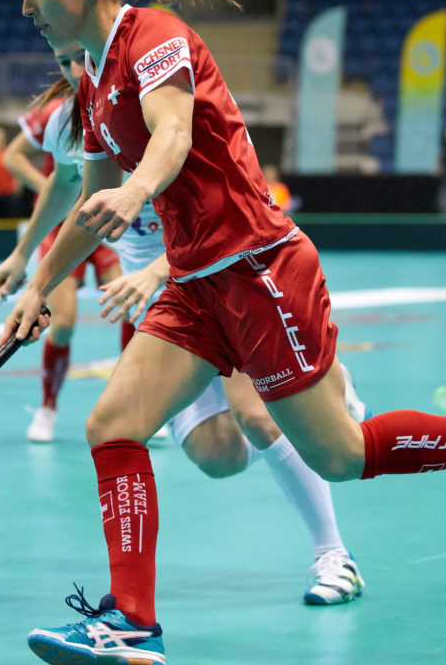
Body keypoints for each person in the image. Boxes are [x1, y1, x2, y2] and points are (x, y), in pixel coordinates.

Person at [4, 0, 446, 665]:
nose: (27, 4)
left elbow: (172, 135)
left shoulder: (154, 36)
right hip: (195, 283)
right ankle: (132, 621)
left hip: (257, 267)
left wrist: (137, 190)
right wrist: (38, 283)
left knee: (339, 454)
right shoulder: (97, 84)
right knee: (113, 425)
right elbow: (88, 203)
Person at [94, 195, 370, 605]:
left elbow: (225, 224)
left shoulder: (176, 152)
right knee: (218, 457)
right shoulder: (92, 155)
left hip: (225, 285)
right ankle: (322, 396)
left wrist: (153, 271)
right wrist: (35, 279)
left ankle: (334, 556)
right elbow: (73, 202)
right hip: (166, 317)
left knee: (258, 418)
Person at [0, 42, 125, 442]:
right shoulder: (58, 115)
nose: (72, 69)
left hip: (112, 221)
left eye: (77, 59)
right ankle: (48, 407)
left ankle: (136, 405)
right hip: (63, 226)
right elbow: (19, 160)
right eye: (63, 62)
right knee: (61, 324)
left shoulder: (121, 103)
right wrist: (53, 195)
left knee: (134, 312)